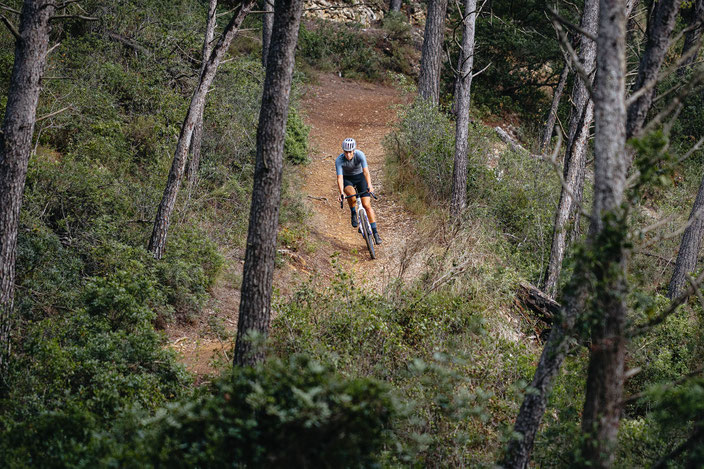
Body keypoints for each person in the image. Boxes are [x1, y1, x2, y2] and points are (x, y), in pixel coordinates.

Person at [335, 137, 382, 245]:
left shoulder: (360, 155)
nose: (348, 155)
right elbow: (340, 178)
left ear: (354, 150)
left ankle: (375, 233)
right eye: (346, 152)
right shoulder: (339, 160)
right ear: (343, 151)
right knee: (351, 196)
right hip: (347, 179)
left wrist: (369, 185)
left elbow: (366, 172)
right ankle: (353, 212)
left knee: (367, 205)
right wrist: (341, 192)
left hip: (360, 178)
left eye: (350, 152)